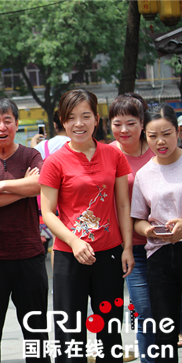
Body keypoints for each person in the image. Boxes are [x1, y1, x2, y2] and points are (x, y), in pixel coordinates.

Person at [39, 89, 134, 362]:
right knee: (71, 332)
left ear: (96, 119)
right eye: (71, 117)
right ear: (62, 121)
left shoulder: (114, 156)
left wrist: (127, 247)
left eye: (85, 116)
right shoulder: (55, 161)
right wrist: (74, 241)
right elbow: (48, 212)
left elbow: (124, 206)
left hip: (109, 254)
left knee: (109, 330)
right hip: (70, 256)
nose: (79, 123)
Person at [0, 97, 49, 363]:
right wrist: (21, 186)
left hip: (29, 255)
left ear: (16, 123)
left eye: (7, 121)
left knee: (36, 331)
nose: (1, 127)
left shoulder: (31, 154)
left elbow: (40, 186)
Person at [132, 104, 182, 363]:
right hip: (160, 257)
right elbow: (137, 220)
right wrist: (148, 230)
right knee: (165, 332)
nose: (160, 141)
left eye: (167, 133)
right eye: (153, 136)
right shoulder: (143, 174)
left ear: (178, 131)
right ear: (145, 136)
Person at [108, 94, 155, 363]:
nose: (124, 130)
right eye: (117, 123)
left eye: (131, 122)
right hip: (123, 247)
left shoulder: (157, 151)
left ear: (142, 123)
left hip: (160, 245)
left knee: (164, 311)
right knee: (144, 309)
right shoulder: (106, 153)